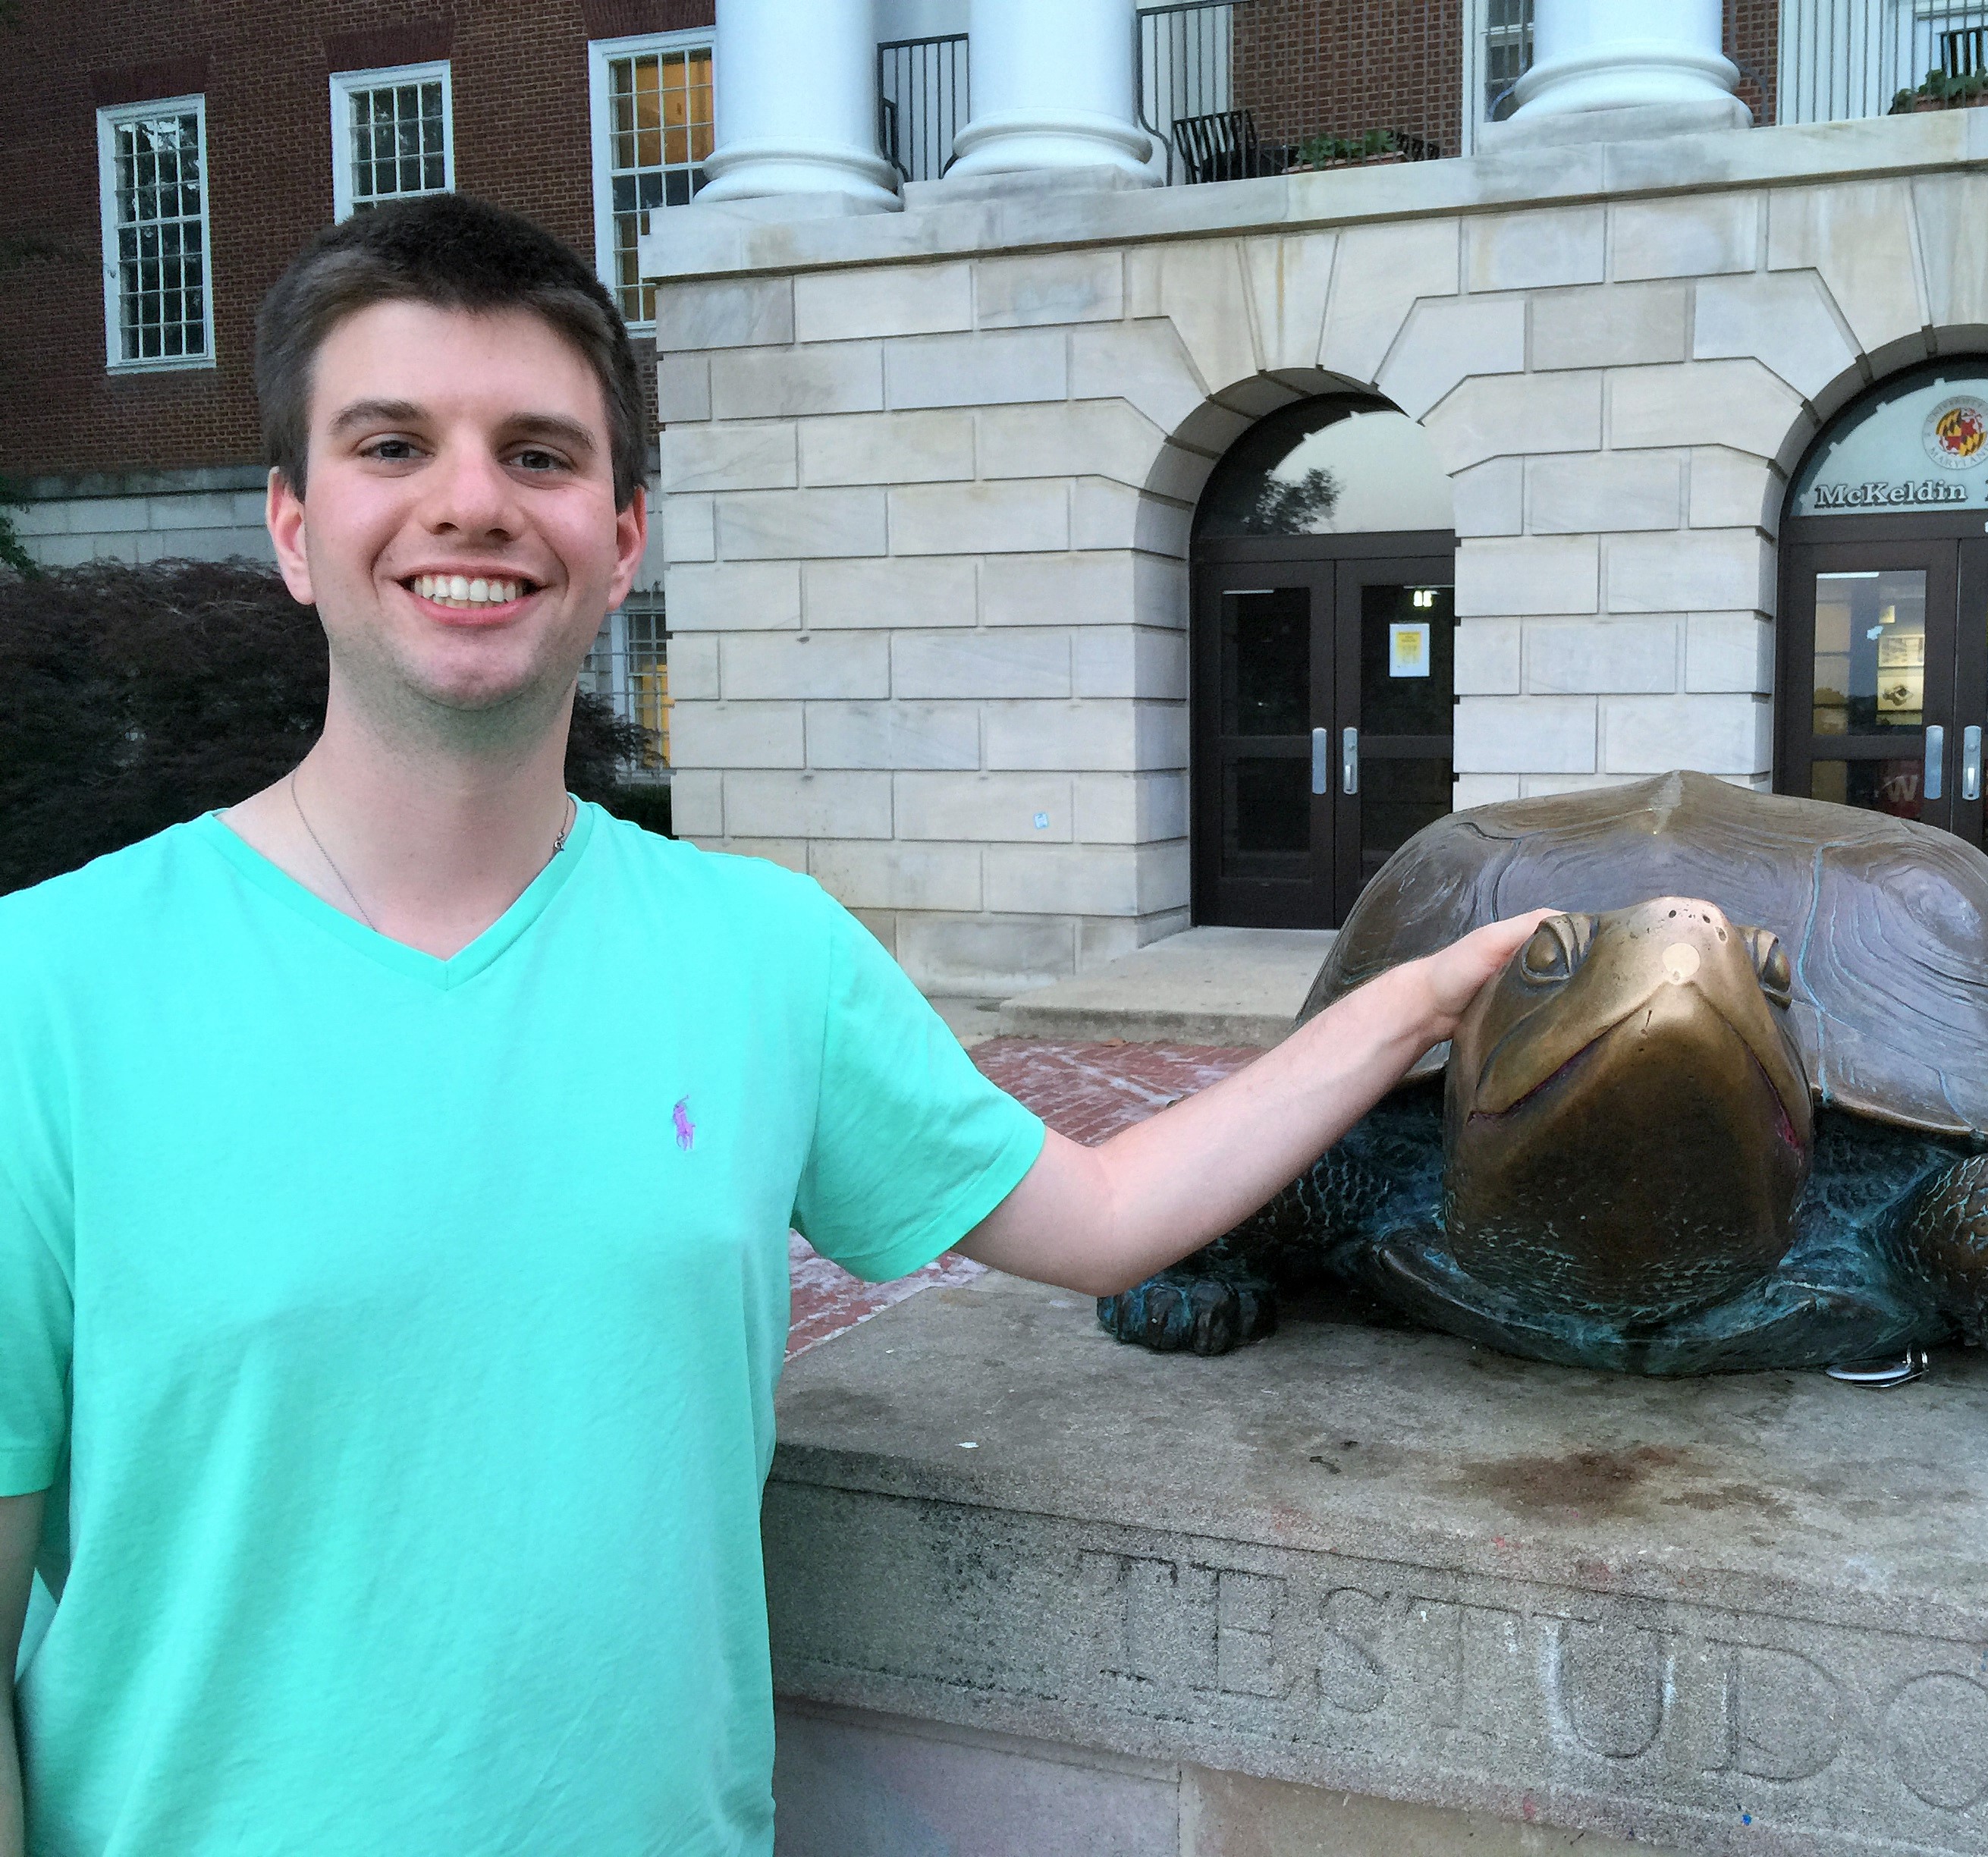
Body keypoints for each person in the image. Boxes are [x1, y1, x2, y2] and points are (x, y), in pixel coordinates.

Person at [0, 195, 1545, 1856]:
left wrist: (1419, 1000)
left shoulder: (763, 956)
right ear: (295, 527)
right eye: (393, 443)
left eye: (538, 453)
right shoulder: (50, 991)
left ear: (623, 535)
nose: (472, 502)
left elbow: (1102, 1222)